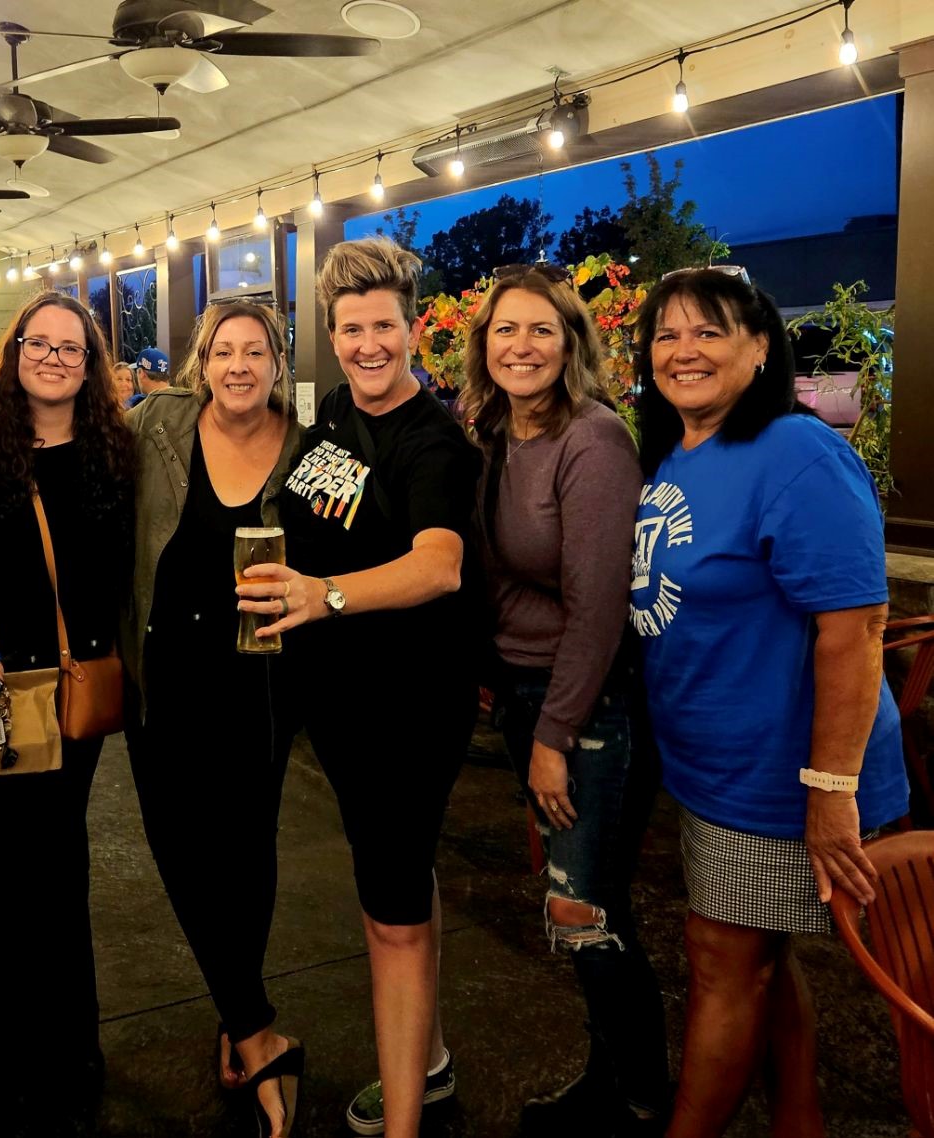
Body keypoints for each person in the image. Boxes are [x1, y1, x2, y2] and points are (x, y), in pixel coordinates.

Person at [628, 268, 907, 1137]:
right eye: (666, 335)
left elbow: (855, 628)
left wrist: (830, 791)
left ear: (759, 349)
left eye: (708, 332)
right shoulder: (676, 453)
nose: (683, 351)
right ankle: (798, 1118)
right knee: (757, 954)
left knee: (721, 966)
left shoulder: (795, 451)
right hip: (713, 768)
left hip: (779, 778)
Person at [237, 237, 483, 1138]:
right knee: (401, 886)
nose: (367, 343)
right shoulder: (329, 419)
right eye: (349, 328)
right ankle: (433, 1061)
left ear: (412, 330)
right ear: (330, 337)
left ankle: (408, 1123)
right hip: (337, 709)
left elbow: (438, 566)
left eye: (383, 325)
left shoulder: (435, 441)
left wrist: (323, 596)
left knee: (389, 918)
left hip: (406, 709)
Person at [458, 265, 670, 1133]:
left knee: (586, 906)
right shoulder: (492, 433)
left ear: (570, 342)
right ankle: (607, 1080)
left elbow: (598, 608)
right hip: (521, 691)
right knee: (574, 904)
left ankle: (639, 1099)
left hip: (584, 703)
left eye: (540, 330)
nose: (521, 345)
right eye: (505, 330)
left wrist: (553, 732)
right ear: (482, 347)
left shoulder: (593, 438)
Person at [0, 291, 137, 1127]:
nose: (53, 357)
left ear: (91, 366)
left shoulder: (111, 454)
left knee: (57, 873)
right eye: (37, 343)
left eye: (70, 347)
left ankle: (67, 1051)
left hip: (71, 696)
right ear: (13, 354)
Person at [122, 300, 305, 1137]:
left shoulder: (306, 451)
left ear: (277, 361)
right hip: (164, 677)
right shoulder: (155, 426)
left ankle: (240, 1019)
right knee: (179, 850)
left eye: (254, 351)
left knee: (244, 854)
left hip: (257, 682)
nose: (238, 365)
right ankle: (256, 1026)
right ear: (201, 362)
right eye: (223, 351)